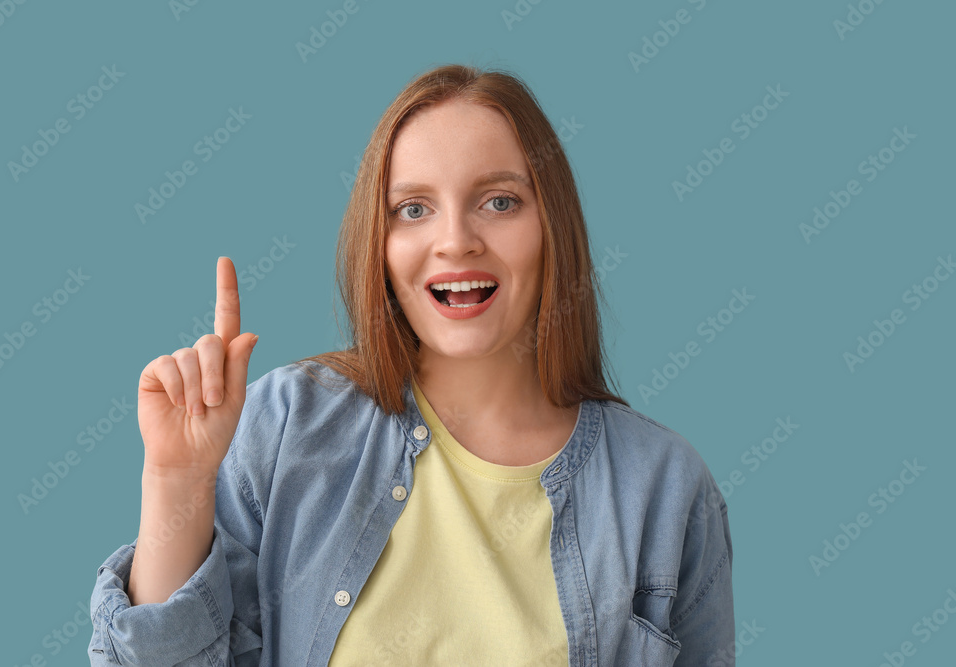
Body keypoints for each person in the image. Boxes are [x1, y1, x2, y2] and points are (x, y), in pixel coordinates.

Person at [88, 63, 734, 666]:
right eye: (413, 209)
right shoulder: (286, 426)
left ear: (552, 226)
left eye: (500, 201)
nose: (455, 239)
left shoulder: (666, 487)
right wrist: (176, 481)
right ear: (381, 243)